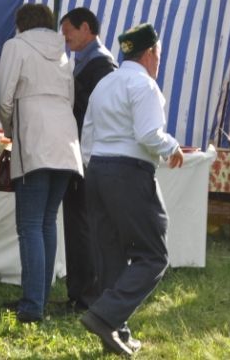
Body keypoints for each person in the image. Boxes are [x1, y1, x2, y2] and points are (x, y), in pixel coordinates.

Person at [79, 23, 184, 356]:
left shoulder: (105, 83)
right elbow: (148, 133)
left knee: (109, 253)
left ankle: (115, 329)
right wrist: (172, 147)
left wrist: (91, 169)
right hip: (129, 172)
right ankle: (104, 316)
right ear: (151, 52)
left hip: (97, 171)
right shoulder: (145, 85)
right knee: (153, 256)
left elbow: (88, 136)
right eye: (159, 54)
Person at [0, 3, 83, 323]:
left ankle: (32, 305)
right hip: (65, 140)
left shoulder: (15, 46)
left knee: (31, 225)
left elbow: (3, 96)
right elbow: (69, 98)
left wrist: (10, 128)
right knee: (46, 222)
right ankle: (38, 298)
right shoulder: (63, 52)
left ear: (21, 24)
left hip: (34, 137)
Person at [59, 7, 116, 313]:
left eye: (68, 31)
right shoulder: (85, 62)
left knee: (84, 223)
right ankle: (79, 290)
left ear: (86, 28)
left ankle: (88, 294)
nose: (65, 38)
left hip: (89, 154)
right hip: (79, 151)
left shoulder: (102, 65)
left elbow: (97, 112)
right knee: (77, 221)